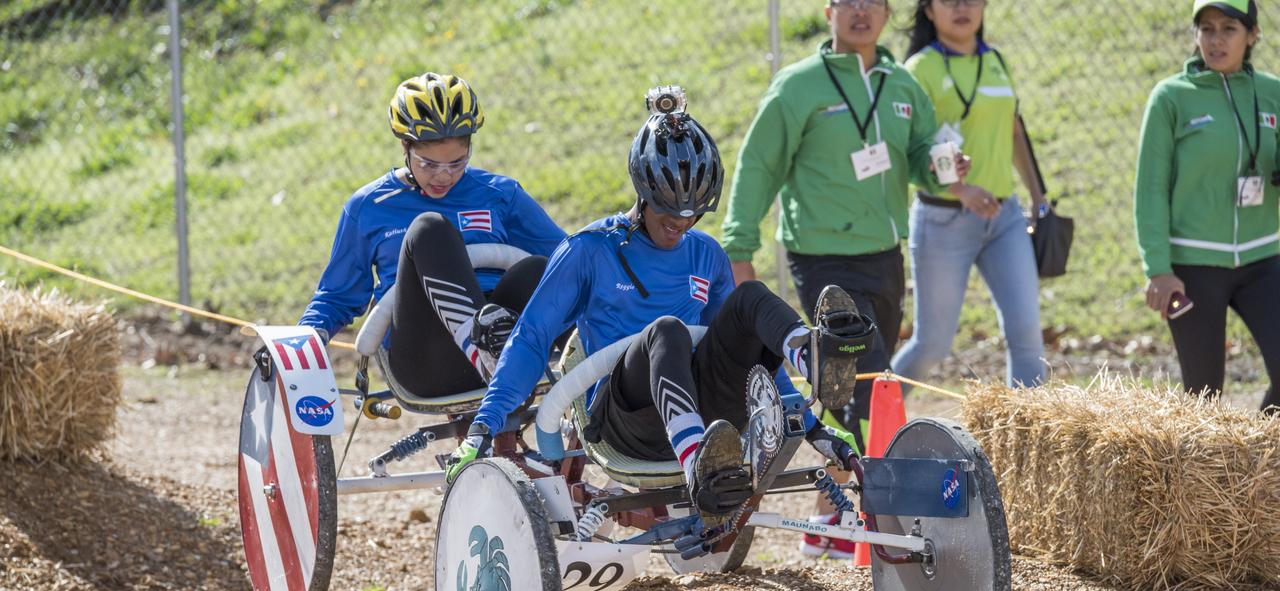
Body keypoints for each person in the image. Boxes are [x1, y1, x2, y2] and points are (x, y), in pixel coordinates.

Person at [447, 91, 872, 532]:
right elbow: (532, 336)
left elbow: (748, 352)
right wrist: (485, 422)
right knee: (667, 331)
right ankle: (698, 468)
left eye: (694, 212)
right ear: (643, 190)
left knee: (749, 299)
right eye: (669, 209)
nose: (681, 222)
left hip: (707, 411)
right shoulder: (590, 250)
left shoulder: (706, 254)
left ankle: (812, 355)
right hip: (625, 420)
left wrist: (804, 417)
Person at [721, 0, 966, 558]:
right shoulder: (797, 86)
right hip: (822, 257)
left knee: (859, 384)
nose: (862, 12)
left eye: (873, 3)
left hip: (885, 254)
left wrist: (943, 165)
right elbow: (758, 166)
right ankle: (875, 523)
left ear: (886, 13)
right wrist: (739, 248)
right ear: (829, 11)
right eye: (849, 1)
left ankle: (824, 518)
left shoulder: (901, 84)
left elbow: (924, 149)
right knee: (861, 376)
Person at [299, 73, 566, 397]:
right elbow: (338, 296)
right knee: (430, 230)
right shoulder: (369, 207)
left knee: (536, 268)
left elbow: (571, 261)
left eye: (456, 163)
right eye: (428, 164)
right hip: (426, 358)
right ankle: (487, 360)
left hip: (506, 340)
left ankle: (500, 355)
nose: (443, 176)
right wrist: (299, 344)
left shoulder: (500, 193)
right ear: (404, 146)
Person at [890, 0, 1047, 389]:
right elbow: (911, 148)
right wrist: (959, 189)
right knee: (932, 346)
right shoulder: (918, 69)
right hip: (942, 220)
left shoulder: (996, 60)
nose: (962, 7)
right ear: (928, 11)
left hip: (1005, 218)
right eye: (948, 0)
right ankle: (870, 428)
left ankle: (1023, 446)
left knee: (1028, 339)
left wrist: (1037, 195)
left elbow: (1013, 130)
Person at [1136, 0, 1280, 412]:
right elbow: (1150, 189)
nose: (1216, 40)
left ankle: (1257, 459)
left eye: (1229, 29)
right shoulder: (1171, 98)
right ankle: (1206, 475)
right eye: (1207, 28)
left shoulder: (1272, 93)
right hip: (1193, 266)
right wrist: (1158, 269)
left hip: (1263, 257)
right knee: (1203, 398)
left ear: (1252, 35)